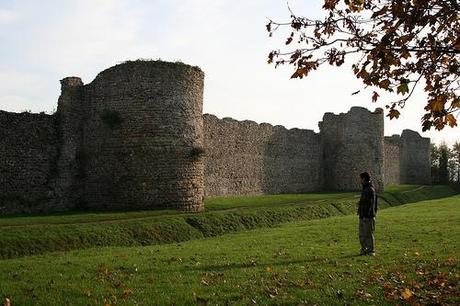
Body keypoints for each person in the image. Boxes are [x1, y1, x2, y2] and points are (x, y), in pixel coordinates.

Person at [358, 172, 378, 256]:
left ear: (364, 179)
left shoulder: (370, 189)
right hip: (362, 215)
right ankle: (364, 249)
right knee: (362, 234)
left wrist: (368, 215)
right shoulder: (365, 188)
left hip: (368, 216)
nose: (360, 180)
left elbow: (371, 204)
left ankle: (371, 250)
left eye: (361, 179)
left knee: (368, 234)